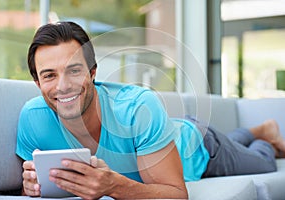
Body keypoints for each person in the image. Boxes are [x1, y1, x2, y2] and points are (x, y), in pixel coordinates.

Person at [16, 21, 285, 199]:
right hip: (162, 135)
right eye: (49, 75)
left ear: (93, 72)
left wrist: (113, 185)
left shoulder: (138, 107)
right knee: (235, 141)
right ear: (37, 83)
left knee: (263, 161)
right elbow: (30, 180)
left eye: (74, 70)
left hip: (197, 146)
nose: (63, 86)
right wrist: (29, 186)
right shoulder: (32, 119)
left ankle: (264, 137)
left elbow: (177, 194)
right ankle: (252, 131)